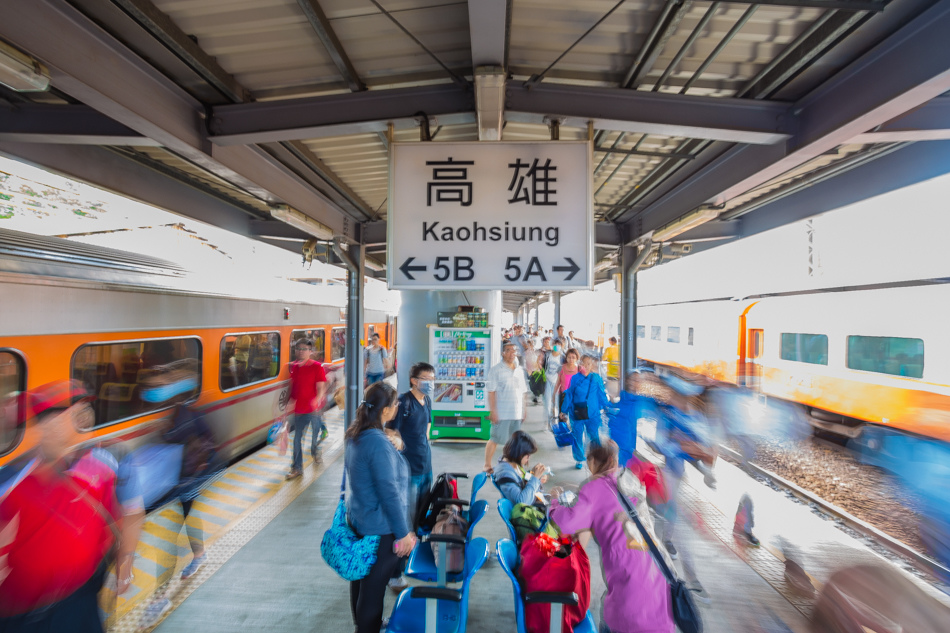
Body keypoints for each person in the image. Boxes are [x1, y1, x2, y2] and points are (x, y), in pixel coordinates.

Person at [0, 380, 145, 633]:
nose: (85, 420)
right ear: (48, 425)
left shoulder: (111, 459)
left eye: (85, 411)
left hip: (82, 596)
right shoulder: (13, 480)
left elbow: (131, 513)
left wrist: (125, 565)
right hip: (24, 611)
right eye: (75, 413)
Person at [549, 441, 674, 633]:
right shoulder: (628, 478)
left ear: (593, 462)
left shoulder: (592, 488)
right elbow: (608, 500)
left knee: (613, 619)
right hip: (659, 576)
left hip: (630, 591)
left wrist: (554, 504)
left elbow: (567, 523)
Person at [344, 382, 417, 633]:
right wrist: (403, 533)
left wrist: (393, 443)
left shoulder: (358, 433)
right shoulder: (377, 442)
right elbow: (389, 493)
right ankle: (368, 628)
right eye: (395, 404)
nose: (397, 407)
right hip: (380, 526)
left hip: (361, 519)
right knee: (374, 589)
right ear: (385, 410)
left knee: (361, 580)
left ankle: (365, 625)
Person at [385, 362, 434, 592]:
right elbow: (390, 431)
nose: (430, 383)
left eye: (433, 378)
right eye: (426, 378)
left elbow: (426, 431)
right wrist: (402, 446)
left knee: (419, 519)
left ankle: (411, 559)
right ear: (414, 380)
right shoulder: (403, 403)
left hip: (426, 467)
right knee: (405, 523)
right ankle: (395, 573)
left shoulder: (428, 401)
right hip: (409, 471)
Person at [286, 339, 328, 480]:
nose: (301, 351)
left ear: (311, 352)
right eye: (298, 348)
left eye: (304, 349)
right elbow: (294, 389)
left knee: (314, 439)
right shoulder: (295, 367)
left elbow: (321, 387)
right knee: (297, 439)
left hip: (314, 410)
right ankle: (297, 468)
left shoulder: (317, 367)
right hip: (299, 410)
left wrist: (317, 399)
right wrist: (289, 404)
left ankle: (315, 452)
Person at [484, 343, 528, 473]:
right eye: (508, 350)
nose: (511, 353)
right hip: (502, 412)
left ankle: (512, 466)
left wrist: (524, 410)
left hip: (516, 412)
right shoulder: (496, 370)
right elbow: (491, 391)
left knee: (514, 442)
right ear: (503, 353)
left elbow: (523, 391)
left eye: (514, 350)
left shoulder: (519, 370)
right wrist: (493, 411)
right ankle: (487, 465)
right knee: (495, 439)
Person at [561, 355, 610, 469]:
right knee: (577, 436)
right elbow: (569, 395)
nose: (586, 366)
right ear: (580, 364)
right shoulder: (575, 378)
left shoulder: (596, 378)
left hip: (593, 414)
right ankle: (579, 459)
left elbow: (601, 394)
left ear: (591, 365)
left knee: (594, 436)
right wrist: (564, 410)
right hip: (576, 413)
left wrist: (607, 407)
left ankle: (597, 458)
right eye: (584, 363)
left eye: (589, 364)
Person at [493, 431, 549, 506]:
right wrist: (535, 478)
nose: (529, 457)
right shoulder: (505, 474)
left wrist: (534, 475)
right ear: (519, 452)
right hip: (524, 512)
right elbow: (522, 502)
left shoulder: (513, 464)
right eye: (527, 454)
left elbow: (522, 478)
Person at [553, 348, 580, 419]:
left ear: (577, 358)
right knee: (562, 417)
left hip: (574, 396)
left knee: (573, 417)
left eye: (573, 358)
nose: (571, 359)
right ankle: (562, 429)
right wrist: (553, 395)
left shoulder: (579, 370)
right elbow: (557, 383)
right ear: (566, 358)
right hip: (563, 396)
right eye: (569, 357)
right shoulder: (561, 368)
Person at [542, 338, 563, 426]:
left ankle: (556, 421)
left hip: (557, 383)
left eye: (558, 345)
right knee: (547, 402)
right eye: (555, 344)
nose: (556, 346)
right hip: (547, 381)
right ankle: (547, 421)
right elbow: (543, 366)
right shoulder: (547, 355)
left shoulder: (563, 357)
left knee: (557, 403)